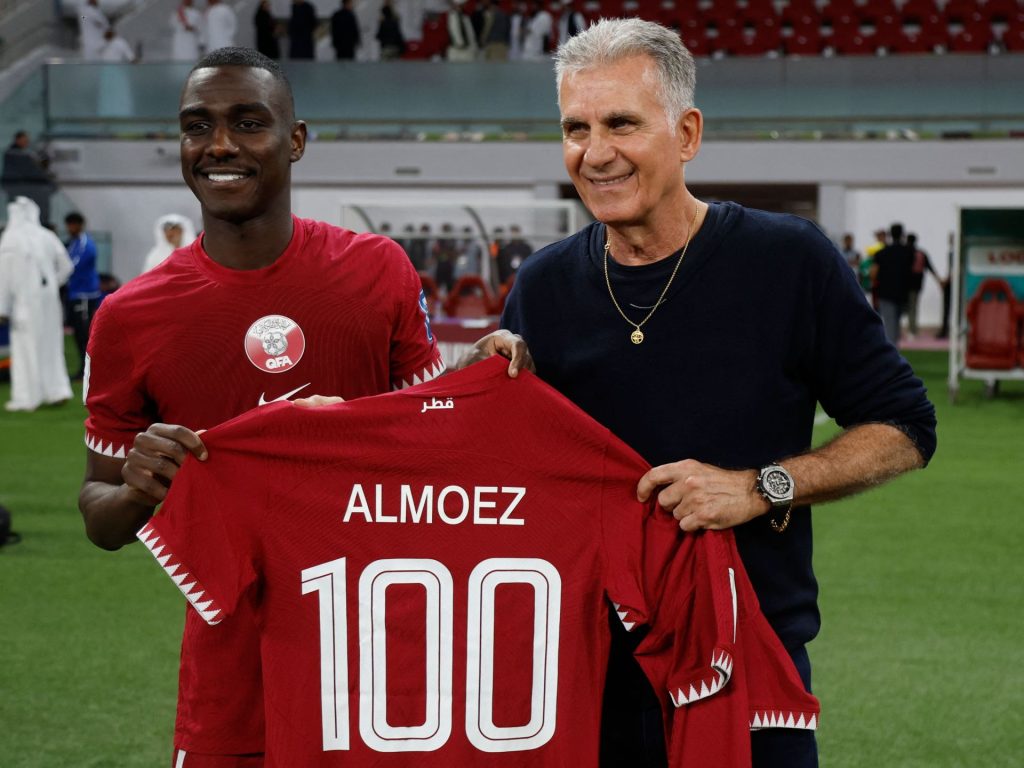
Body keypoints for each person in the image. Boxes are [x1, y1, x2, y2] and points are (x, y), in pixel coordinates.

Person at [464, 18, 936, 768]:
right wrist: (482, 397)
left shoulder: (788, 261)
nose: (595, 152)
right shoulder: (544, 284)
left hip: (748, 670)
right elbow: (514, 478)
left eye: (622, 123)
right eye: (576, 128)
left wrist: (760, 487)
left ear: (686, 134)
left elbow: (906, 426)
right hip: (578, 678)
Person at [77, 47, 446, 767]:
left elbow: (441, 444)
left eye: (248, 122)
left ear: (295, 140)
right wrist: (136, 490)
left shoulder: (378, 271)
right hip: (231, 675)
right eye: (197, 126)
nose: (219, 144)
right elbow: (99, 514)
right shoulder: (128, 317)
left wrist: (486, 380)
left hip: (386, 655)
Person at [0, 197, 74, 411]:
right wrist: (52, 284)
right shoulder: (47, 236)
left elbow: (4, 277)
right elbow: (67, 266)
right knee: (52, 345)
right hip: (49, 301)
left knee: (25, 348)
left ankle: (27, 397)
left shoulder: (11, 238)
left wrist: (3, 307)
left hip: (24, 301)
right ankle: (57, 390)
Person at [64, 212, 99, 381]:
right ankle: (84, 368)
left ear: (80, 225)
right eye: (68, 224)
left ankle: (89, 370)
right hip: (74, 293)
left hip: (85, 294)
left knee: (84, 333)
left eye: (73, 224)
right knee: (78, 333)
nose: (70, 228)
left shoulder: (86, 244)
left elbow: (71, 266)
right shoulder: (73, 243)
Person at [872, 222, 915, 347]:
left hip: (886, 293)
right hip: (902, 292)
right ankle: (894, 350)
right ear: (902, 234)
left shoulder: (882, 253)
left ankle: (892, 352)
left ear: (890, 234)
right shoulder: (908, 252)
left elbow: (873, 273)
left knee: (890, 325)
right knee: (896, 325)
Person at [1, 131, 57, 225]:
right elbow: (28, 167)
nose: (26, 142)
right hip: (18, 186)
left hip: (28, 187)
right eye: (24, 140)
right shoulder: (12, 154)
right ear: (17, 140)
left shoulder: (27, 152)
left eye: (27, 140)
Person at [905, 233, 942, 339]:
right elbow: (930, 267)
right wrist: (938, 280)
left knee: (906, 308)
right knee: (913, 307)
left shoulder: (904, 252)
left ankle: (910, 329)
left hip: (904, 285)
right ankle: (912, 329)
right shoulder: (921, 253)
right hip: (917, 284)